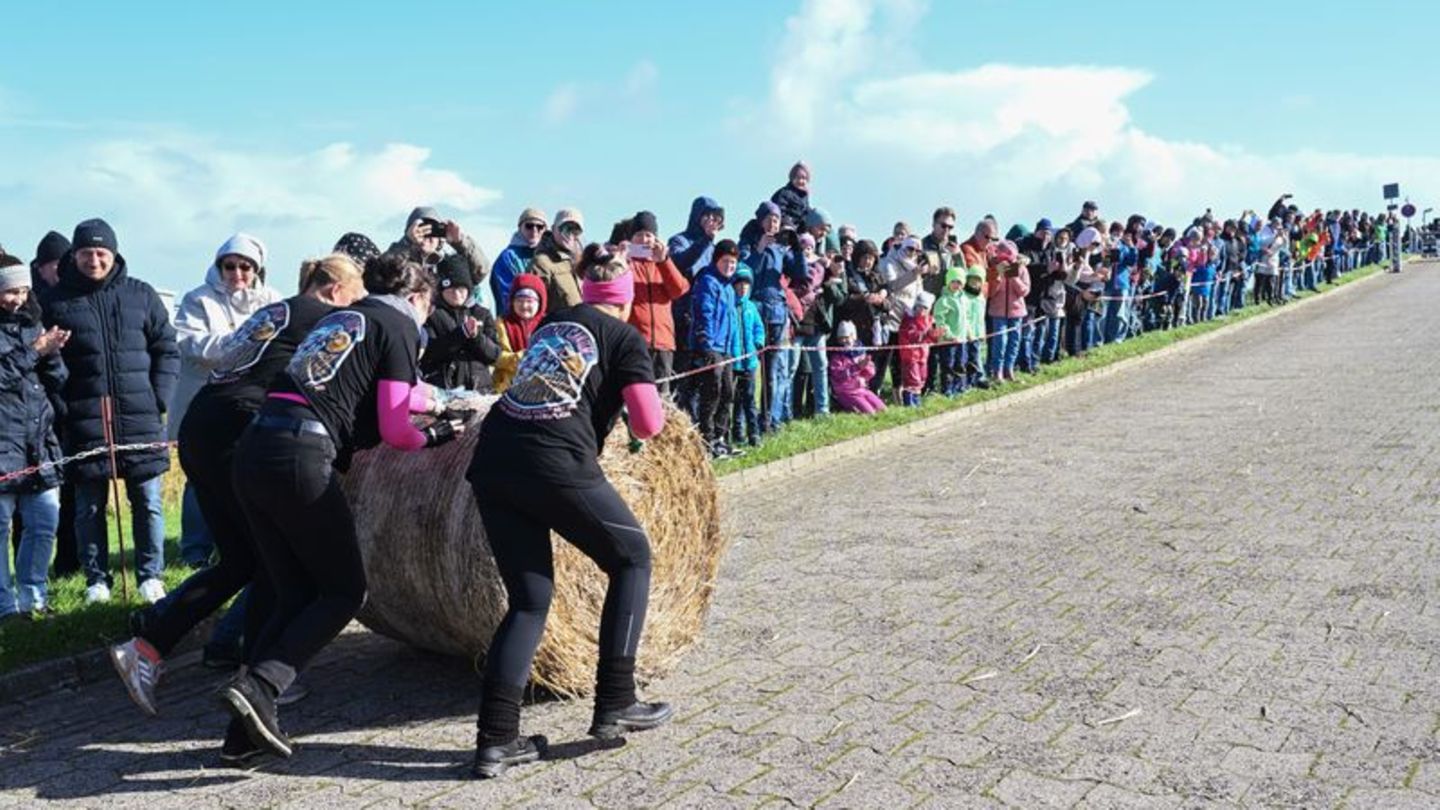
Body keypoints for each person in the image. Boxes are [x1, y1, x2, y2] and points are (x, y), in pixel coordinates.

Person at [109, 255, 365, 761]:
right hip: (238, 430)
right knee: (272, 564)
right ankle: (257, 683)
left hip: (203, 424)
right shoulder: (324, 319)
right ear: (335, 289)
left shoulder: (278, 312)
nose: (355, 310)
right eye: (355, 297)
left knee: (244, 559)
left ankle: (155, 646)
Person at [219, 254, 461, 759]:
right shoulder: (399, 324)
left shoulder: (344, 319)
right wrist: (437, 435)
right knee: (344, 590)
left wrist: (432, 403)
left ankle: (241, 738)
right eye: (427, 312)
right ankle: (262, 685)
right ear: (418, 299)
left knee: (293, 594)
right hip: (300, 455)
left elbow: (391, 391)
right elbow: (396, 429)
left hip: (252, 451)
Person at [466, 243, 670, 779]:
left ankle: (496, 740)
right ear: (624, 300)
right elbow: (649, 425)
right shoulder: (625, 337)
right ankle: (616, 700)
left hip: (493, 461)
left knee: (530, 601)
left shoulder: (555, 324)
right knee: (632, 556)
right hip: (555, 463)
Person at [42, 219, 179, 605]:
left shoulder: (142, 295)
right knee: (88, 507)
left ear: (114, 254)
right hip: (84, 418)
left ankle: (150, 576)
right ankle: (96, 581)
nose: (95, 260)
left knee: (148, 502)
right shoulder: (56, 302)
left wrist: (160, 398)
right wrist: (62, 406)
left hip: (141, 416)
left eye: (102, 253)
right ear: (75, 255)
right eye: (87, 253)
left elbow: (167, 348)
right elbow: (46, 362)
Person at [170, 234, 283, 568]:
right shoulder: (198, 299)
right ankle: (195, 551)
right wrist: (242, 343)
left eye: (245, 267)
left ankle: (246, 545)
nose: (237, 273)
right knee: (200, 478)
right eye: (230, 266)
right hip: (206, 402)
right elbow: (191, 344)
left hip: (251, 401)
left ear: (256, 269)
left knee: (248, 474)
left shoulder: (272, 301)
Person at [0, 258, 68, 620]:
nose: (18, 298)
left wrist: (53, 352)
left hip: (39, 440)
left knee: (44, 523)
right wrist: (34, 351)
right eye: (11, 291)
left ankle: (34, 599)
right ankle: (4, 606)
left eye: (24, 291)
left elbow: (57, 380)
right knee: (0, 527)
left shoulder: (34, 325)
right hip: (2, 442)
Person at [25, 231, 80, 578]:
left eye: (65, 263)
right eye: (53, 264)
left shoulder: (75, 297)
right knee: (27, 498)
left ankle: (68, 563)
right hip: (31, 409)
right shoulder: (27, 306)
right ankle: (29, 569)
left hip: (68, 405)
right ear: (40, 267)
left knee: (71, 490)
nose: (59, 270)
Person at [623, 212, 689, 392]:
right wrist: (622, 259)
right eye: (639, 235)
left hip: (663, 343)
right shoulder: (625, 264)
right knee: (634, 394)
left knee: (662, 398)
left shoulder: (662, 264)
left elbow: (679, 290)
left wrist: (664, 261)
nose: (644, 240)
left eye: (649, 235)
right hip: (635, 343)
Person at [384, 206, 493, 312]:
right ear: (410, 231)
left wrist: (460, 242)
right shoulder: (399, 260)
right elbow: (379, 275)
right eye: (422, 229)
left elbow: (480, 271)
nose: (427, 236)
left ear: (440, 237)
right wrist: (407, 242)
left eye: (433, 230)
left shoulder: (447, 265)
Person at [422, 254, 501, 393]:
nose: (457, 294)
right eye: (451, 289)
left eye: (461, 289)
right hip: (443, 391)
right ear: (441, 289)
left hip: (481, 392)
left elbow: (494, 355)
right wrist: (460, 334)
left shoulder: (482, 313)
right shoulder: (431, 314)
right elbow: (429, 354)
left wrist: (476, 337)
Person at [690, 240, 739, 457]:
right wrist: (706, 345)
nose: (730, 266)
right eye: (726, 261)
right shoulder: (708, 281)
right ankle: (706, 438)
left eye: (733, 262)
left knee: (728, 392)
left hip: (726, 347)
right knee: (713, 392)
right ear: (717, 260)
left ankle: (721, 436)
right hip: (711, 347)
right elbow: (705, 314)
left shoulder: (729, 287)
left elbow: (731, 320)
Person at [728, 267, 765, 448]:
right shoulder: (729, 307)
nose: (743, 288)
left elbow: (759, 328)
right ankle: (736, 432)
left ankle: (754, 434)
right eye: (740, 285)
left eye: (746, 285)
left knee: (750, 400)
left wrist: (759, 341)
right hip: (733, 362)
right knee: (732, 399)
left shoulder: (751, 308)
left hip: (750, 362)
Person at [493, 275, 548, 394]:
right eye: (519, 301)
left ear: (540, 302)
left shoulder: (548, 325)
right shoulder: (502, 324)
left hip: (542, 388)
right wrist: (521, 358)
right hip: (508, 387)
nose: (524, 306)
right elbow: (495, 356)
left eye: (529, 301)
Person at [985, 241, 1031, 382]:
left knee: (1014, 341)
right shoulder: (993, 269)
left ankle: (1009, 369)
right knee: (1000, 342)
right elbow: (990, 293)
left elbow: (1024, 291)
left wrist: (1013, 277)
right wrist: (998, 278)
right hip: (998, 312)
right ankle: (996, 372)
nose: (1006, 262)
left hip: (1016, 312)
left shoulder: (1021, 268)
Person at [491, 208, 547, 314]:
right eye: (529, 226)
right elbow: (507, 297)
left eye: (539, 227)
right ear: (520, 228)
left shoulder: (550, 257)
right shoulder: (508, 257)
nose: (534, 230)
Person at [533, 209, 586, 312]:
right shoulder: (541, 263)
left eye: (575, 230)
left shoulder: (584, 262)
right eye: (563, 228)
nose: (569, 234)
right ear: (553, 229)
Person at [828, 321, 885, 414]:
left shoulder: (860, 352)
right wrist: (857, 367)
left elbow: (871, 373)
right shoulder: (837, 356)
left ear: (853, 337)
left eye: (846, 337)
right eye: (841, 338)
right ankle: (845, 407)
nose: (844, 341)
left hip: (862, 389)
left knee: (882, 410)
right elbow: (838, 375)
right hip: (846, 392)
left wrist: (866, 365)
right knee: (870, 413)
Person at [897, 291, 941, 407]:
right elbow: (913, 336)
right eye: (919, 307)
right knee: (912, 379)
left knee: (922, 378)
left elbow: (931, 340)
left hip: (923, 355)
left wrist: (935, 335)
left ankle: (917, 402)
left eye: (925, 308)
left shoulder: (929, 320)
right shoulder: (909, 320)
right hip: (910, 356)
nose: (921, 311)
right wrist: (928, 335)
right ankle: (909, 403)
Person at [931, 267, 968, 396]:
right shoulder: (943, 301)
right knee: (948, 365)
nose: (956, 285)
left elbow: (965, 318)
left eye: (959, 282)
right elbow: (940, 321)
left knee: (961, 363)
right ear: (948, 282)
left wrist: (967, 333)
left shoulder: (963, 299)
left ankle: (959, 387)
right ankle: (947, 389)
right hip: (948, 341)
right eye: (954, 282)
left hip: (961, 339)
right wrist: (949, 336)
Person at [770, 161, 811, 230]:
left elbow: (807, 212)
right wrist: (789, 224)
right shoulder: (785, 193)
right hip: (785, 227)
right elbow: (779, 211)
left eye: (804, 178)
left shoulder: (804, 196)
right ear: (792, 178)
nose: (801, 181)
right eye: (798, 177)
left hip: (800, 228)